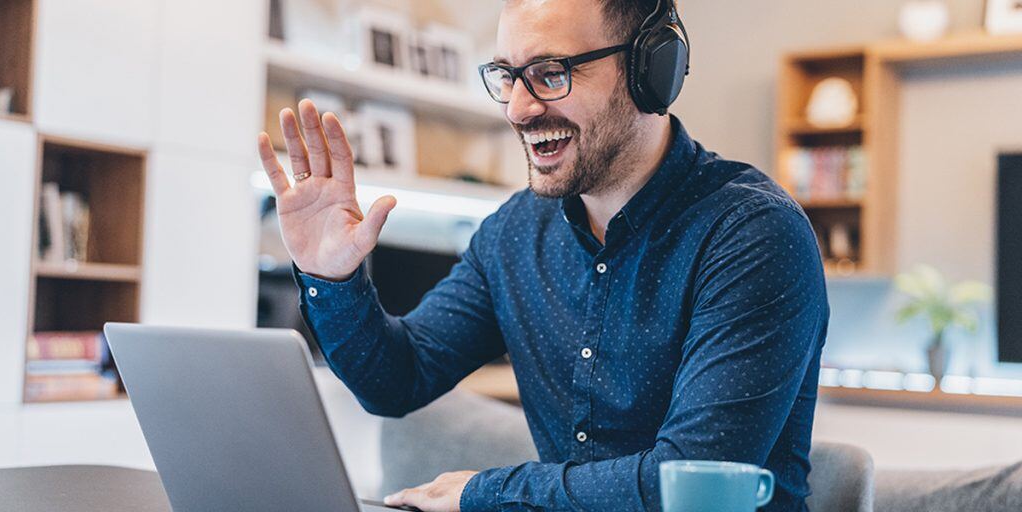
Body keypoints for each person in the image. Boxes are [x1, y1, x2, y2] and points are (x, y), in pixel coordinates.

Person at [256, 0, 828, 510]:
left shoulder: (753, 235)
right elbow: (396, 380)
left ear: (651, 70)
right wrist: (330, 275)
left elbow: (687, 485)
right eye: (508, 76)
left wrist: (485, 493)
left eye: (551, 73)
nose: (518, 109)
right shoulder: (513, 234)